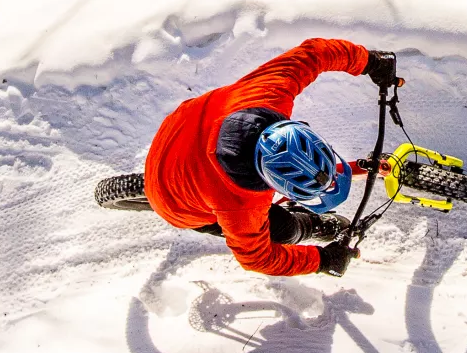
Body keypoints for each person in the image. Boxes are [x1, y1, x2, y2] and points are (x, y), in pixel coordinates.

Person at [142, 38, 399, 277]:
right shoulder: (241, 205)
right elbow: (258, 258)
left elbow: (316, 53)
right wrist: (321, 260)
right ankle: (312, 225)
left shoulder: (269, 94)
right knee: (284, 229)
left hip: (177, 130)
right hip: (170, 202)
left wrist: (370, 62)